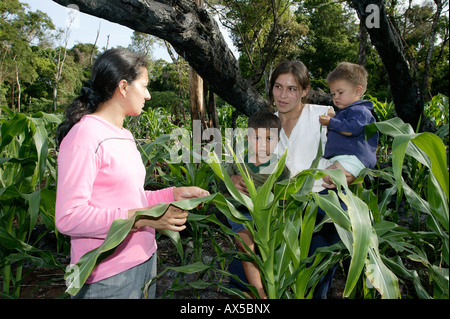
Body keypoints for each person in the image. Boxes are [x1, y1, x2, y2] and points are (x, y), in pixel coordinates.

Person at [55, 48, 209, 299]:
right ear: (123, 87)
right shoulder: (85, 137)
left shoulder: (123, 135)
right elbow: (69, 217)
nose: (148, 95)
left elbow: (131, 199)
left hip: (145, 261)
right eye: (145, 86)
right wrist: (143, 219)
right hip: (106, 277)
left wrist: (172, 194)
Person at [230, 60, 340, 298]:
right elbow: (243, 158)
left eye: (291, 89)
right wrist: (235, 175)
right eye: (278, 87)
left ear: (304, 91)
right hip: (275, 207)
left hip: (316, 206)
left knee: (312, 274)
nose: (283, 95)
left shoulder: (324, 117)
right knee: (242, 268)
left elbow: (356, 149)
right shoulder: (266, 124)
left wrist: (345, 172)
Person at [222, 110, 290, 299]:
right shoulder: (238, 163)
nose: (262, 144)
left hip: (268, 218)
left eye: (269, 139)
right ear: (248, 138)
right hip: (241, 213)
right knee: (246, 244)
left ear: (277, 140)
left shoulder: (280, 168)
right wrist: (231, 179)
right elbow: (221, 181)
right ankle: (260, 292)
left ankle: (263, 289)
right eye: (257, 138)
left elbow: (284, 196)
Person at [319, 62, 378, 189]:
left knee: (329, 177)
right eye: (333, 94)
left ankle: (339, 193)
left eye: (340, 92)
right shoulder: (346, 112)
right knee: (324, 176)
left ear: (358, 91)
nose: (336, 97)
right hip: (343, 158)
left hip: (353, 158)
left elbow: (352, 130)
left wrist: (331, 121)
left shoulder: (361, 111)